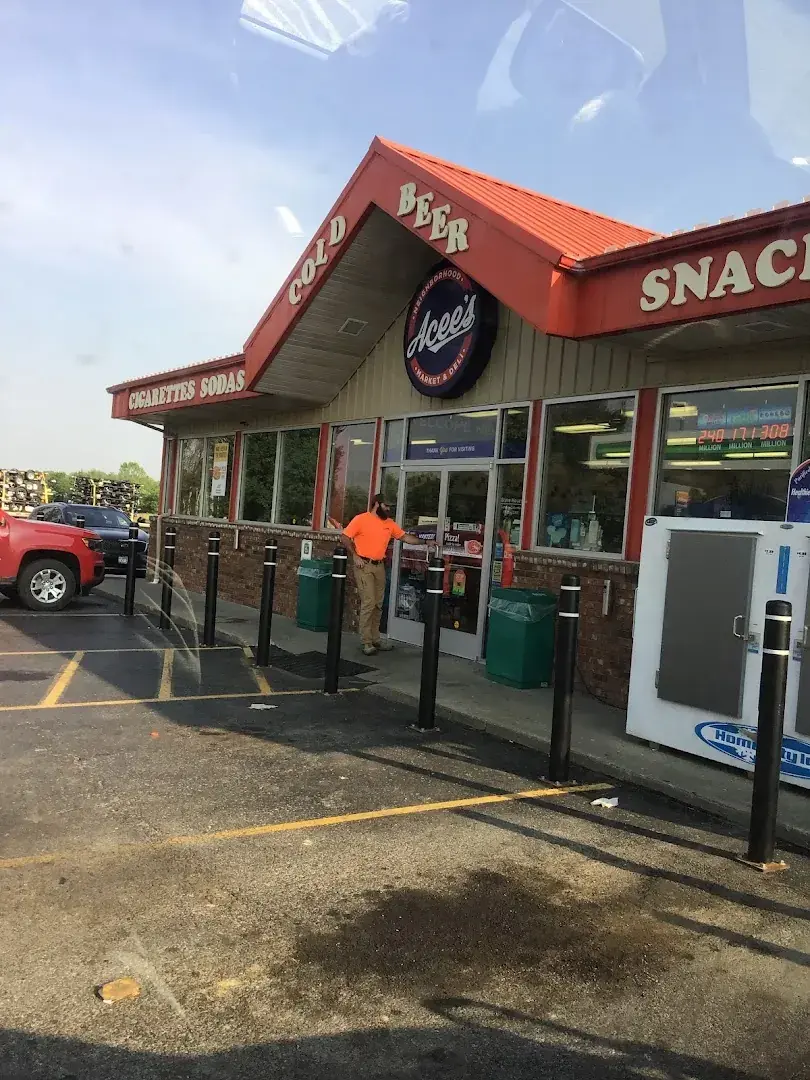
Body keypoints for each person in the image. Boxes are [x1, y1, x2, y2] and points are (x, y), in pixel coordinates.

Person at [342, 493, 426, 655]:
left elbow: (405, 537)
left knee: (379, 603)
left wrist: (425, 542)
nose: (388, 509)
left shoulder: (389, 524)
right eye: (386, 505)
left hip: (379, 565)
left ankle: (376, 638)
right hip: (364, 565)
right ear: (376, 504)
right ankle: (366, 642)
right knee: (369, 602)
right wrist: (355, 555)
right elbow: (345, 537)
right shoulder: (361, 519)